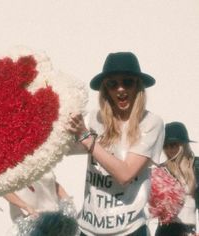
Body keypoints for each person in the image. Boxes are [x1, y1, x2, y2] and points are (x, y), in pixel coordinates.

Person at [67, 52, 164, 236]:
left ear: (138, 86)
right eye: (113, 83)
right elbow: (61, 148)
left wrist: (87, 139)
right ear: (105, 89)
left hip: (129, 230)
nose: (120, 89)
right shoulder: (94, 119)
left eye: (127, 82)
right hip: (88, 229)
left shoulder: (151, 123)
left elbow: (125, 174)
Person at [154, 122, 199, 236]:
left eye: (173, 145)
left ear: (183, 144)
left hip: (189, 230)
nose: (169, 150)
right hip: (166, 230)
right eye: (165, 146)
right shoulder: (161, 171)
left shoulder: (196, 166)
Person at [4, 170, 78, 236]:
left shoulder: (41, 160)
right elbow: (4, 191)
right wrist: (26, 207)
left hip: (55, 218)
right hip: (31, 223)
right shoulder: (10, 166)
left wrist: (67, 200)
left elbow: (51, 182)